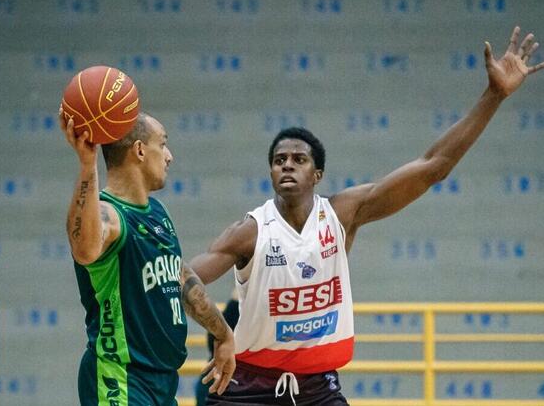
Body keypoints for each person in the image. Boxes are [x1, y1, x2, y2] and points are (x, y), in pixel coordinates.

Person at [190, 27, 544, 406]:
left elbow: (432, 167)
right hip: (248, 387)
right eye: (279, 161)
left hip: (317, 388)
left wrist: (493, 96)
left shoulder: (342, 213)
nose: (287, 166)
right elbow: (182, 276)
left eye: (298, 159)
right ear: (271, 173)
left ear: (317, 174)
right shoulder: (251, 232)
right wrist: (221, 331)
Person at [60, 110, 236, 406]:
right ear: (140, 150)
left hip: (162, 382)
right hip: (118, 378)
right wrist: (87, 165)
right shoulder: (109, 214)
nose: (169, 156)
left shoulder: (158, 213)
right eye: (163, 144)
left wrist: (223, 333)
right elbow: (84, 249)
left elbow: (181, 280)